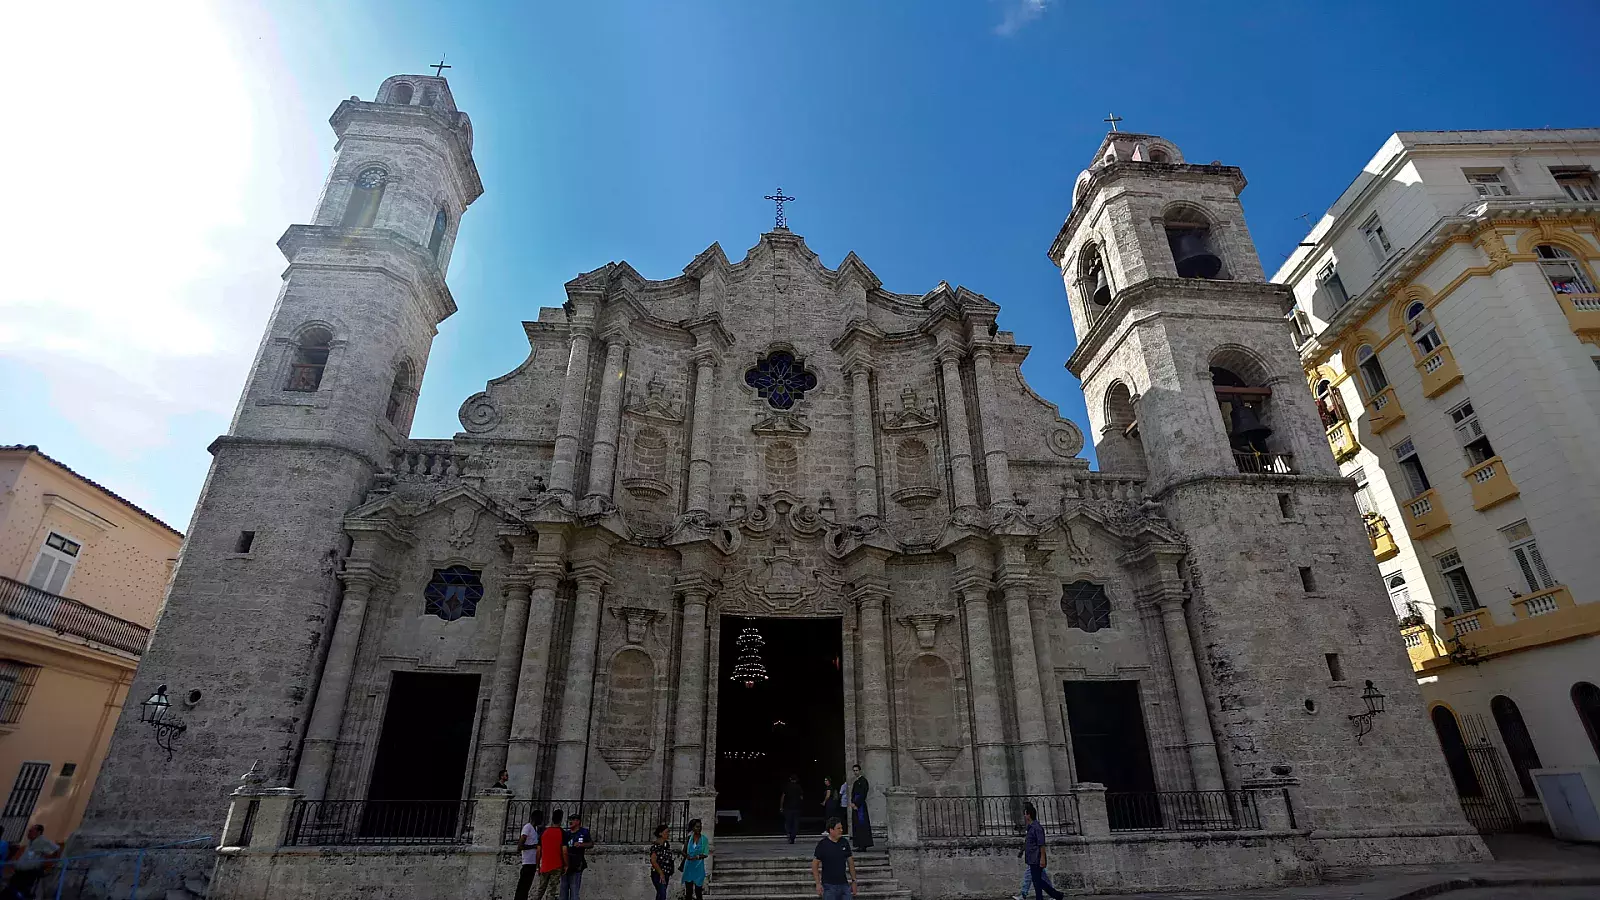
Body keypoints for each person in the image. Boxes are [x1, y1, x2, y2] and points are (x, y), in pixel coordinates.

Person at [8, 824, 62, 900]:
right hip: (19, 873)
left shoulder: (42, 841)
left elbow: (57, 850)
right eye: (29, 831)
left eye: (31, 831)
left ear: (39, 832)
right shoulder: (31, 842)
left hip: (29, 874)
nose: (28, 833)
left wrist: (47, 867)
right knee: (11, 891)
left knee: (21, 894)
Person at [1022, 803, 1064, 900]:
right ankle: (1056, 895)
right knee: (1037, 881)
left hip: (1036, 858)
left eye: (1025, 814)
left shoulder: (1037, 828)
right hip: (1032, 858)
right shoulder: (1030, 827)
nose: (1024, 816)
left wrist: (1042, 858)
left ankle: (1055, 895)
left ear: (1029, 815)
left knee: (1037, 881)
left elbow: (1041, 844)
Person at [810, 817, 856, 900]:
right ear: (831, 830)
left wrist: (854, 881)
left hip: (844, 884)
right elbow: (814, 864)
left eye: (841, 828)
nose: (841, 830)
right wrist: (818, 883)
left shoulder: (844, 842)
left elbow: (850, 862)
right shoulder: (823, 845)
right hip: (829, 886)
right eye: (838, 828)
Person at [560, 812, 590, 900]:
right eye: (570, 820)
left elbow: (591, 844)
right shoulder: (566, 834)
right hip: (566, 863)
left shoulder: (584, 832)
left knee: (574, 890)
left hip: (577, 864)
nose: (570, 822)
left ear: (578, 821)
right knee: (563, 890)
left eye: (572, 820)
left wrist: (581, 845)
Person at [680, 818, 710, 900]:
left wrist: (697, 857)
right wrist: (687, 856)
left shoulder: (704, 839)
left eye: (700, 827)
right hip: (689, 866)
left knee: (698, 891)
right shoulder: (689, 838)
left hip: (698, 867)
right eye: (697, 827)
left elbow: (706, 853)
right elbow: (683, 851)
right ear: (693, 828)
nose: (699, 829)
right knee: (689, 891)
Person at [849, 764, 874, 850]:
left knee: (862, 825)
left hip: (860, 807)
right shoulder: (856, 782)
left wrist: (856, 804)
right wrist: (852, 802)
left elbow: (863, 794)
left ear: (860, 771)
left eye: (856, 770)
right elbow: (853, 794)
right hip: (856, 806)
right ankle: (859, 844)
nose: (855, 772)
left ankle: (863, 845)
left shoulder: (863, 781)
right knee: (857, 825)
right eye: (854, 771)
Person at [648, 823, 674, 900]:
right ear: (660, 833)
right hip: (658, 874)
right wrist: (661, 873)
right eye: (666, 832)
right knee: (662, 894)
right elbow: (653, 860)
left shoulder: (666, 845)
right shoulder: (656, 846)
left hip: (666, 873)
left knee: (660, 894)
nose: (668, 834)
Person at [779, 774, 805, 844]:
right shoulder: (798, 787)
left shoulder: (787, 787)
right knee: (795, 823)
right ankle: (793, 836)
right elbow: (801, 798)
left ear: (790, 779)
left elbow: (783, 797)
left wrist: (781, 806)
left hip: (788, 807)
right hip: (796, 808)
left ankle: (789, 833)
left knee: (788, 822)